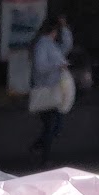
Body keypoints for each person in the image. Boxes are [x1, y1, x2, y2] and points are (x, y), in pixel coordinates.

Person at [29, 16, 74, 168]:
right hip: (46, 88)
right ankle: (44, 156)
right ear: (53, 31)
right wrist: (57, 66)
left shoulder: (50, 45)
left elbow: (66, 46)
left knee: (54, 125)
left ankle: (40, 148)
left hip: (53, 89)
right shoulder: (43, 45)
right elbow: (40, 66)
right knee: (52, 125)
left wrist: (65, 28)